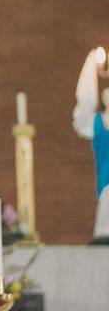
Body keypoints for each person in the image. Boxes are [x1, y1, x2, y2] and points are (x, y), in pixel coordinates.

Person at [73, 50, 109, 240]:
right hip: (105, 166)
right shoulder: (97, 121)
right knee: (107, 197)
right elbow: (85, 106)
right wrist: (91, 64)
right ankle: (104, 231)